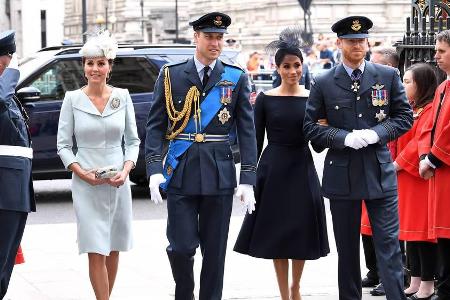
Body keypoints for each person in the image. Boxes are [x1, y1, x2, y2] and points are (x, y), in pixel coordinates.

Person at [145, 12, 257, 300]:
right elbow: (156, 125)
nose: (215, 43)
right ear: (196, 37)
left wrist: (247, 179)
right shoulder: (171, 74)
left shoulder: (235, 77)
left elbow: (247, 132)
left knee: (215, 251)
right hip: (181, 170)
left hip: (218, 172)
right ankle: (184, 294)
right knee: (180, 247)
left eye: (220, 37)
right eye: (209, 36)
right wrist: (155, 168)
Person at [303, 16, 413, 300]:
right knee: (347, 250)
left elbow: (403, 117)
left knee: (388, 246)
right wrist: (343, 137)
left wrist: (376, 133)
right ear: (339, 43)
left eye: (361, 40)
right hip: (342, 172)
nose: (357, 46)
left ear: (367, 42)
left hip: (379, 170)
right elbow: (310, 127)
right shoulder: (324, 81)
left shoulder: (386, 76)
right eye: (350, 41)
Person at [233, 27, 329, 300]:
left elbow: (318, 144)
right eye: (286, 66)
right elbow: (253, 140)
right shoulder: (265, 98)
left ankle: (296, 287)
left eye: (297, 65)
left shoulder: (312, 96)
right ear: (276, 68)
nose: (292, 71)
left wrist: (325, 127)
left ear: (302, 66)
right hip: (272, 169)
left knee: (301, 230)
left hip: (302, 167)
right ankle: (283, 294)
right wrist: (248, 179)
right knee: (277, 233)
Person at [57, 30, 140, 300]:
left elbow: (133, 141)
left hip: (118, 182)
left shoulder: (123, 96)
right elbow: (63, 146)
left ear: (109, 67)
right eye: (90, 63)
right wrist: (81, 172)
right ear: (84, 67)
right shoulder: (72, 99)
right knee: (95, 248)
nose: (95, 68)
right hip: (86, 184)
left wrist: (126, 170)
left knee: (114, 247)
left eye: (100, 63)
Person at [360, 46, 405, 297]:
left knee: (389, 234)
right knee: (366, 227)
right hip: (366, 164)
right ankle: (374, 270)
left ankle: (390, 279)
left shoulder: (392, 86)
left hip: (389, 167)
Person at [395, 63, 438, 300]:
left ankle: (428, 284)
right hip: (407, 179)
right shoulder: (414, 108)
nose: (403, 85)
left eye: (408, 81)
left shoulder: (430, 109)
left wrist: (398, 163)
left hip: (418, 178)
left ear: (421, 84)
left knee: (422, 234)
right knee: (410, 233)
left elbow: (418, 144)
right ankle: (415, 280)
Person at [0, 30, 35, 299]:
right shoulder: (4, 88)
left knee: (5, 265)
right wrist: (10, 75)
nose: (11, 62)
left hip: (15, 191)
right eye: (7, 57)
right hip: (4, 192)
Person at [418, 29, 450, 300]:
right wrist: (425, 156)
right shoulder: (442, 86)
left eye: (441, 51)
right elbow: (432, 128)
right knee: (442, 233)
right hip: (440, 170)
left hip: (445, 167)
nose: (435, 56)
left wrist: (433, 158)